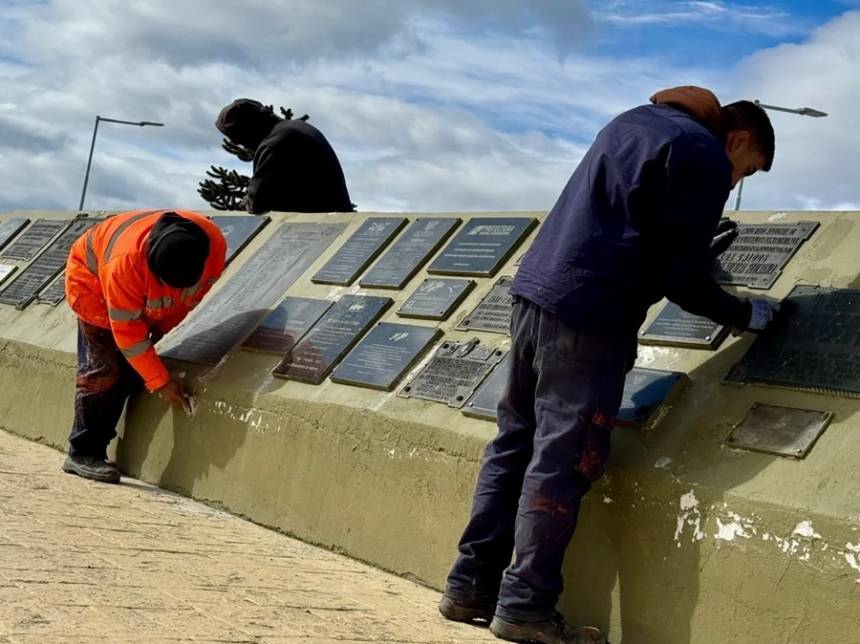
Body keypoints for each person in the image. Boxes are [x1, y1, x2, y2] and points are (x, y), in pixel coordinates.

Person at [439, 86, 780, 644]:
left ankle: (469, 587)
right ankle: (525, 607)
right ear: (737, 139)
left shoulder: (633, 122)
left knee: (514, 444)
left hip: (534, 298)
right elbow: (682, 279)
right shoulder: (700, 151)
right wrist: (745, 313)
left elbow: (626, 221)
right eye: (744, 170)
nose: (733, 182)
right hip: (591, 319)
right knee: (564, 460)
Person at [62, 209, 227, 484]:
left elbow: (185, 301)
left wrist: (159, 331)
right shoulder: (125, 263)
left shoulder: (213, 245)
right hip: (92, 284)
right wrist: (161, 383)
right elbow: (128, 334)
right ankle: (83, 452)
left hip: (135, 288)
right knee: (104, 371)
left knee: (132, 371)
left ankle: (104, 437)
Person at [216, 98, 354, 215]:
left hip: (319, 226)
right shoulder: (295, 128)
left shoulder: (275, 144)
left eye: (238, 139)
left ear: (247, 132)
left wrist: (245, 203)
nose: (241, 145)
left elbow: (257, 204)